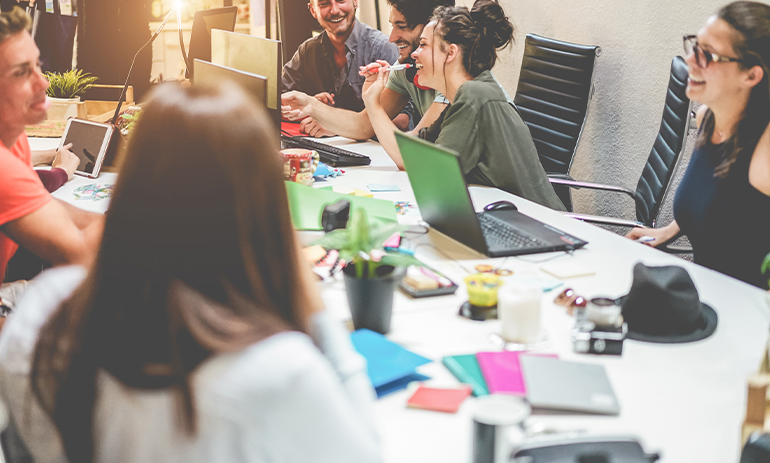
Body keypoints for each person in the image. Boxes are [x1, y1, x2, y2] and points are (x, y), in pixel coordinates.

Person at [0, 82, 381, 463]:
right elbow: (365, 453)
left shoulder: (41, 312)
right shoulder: (277, 370)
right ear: (261, 202)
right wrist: (312, 308)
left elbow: (20, 450)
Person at [365, 0, 564, 210]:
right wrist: (372, 102)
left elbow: (434, 177)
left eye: (423, 45)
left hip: (540, 224)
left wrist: (374, 106)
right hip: (505, 216)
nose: (415, 53)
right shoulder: (461, 98)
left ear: (450, 53)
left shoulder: (474, 95)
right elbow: (410, 152)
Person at [627, 1, 770, 290]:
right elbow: (722, 204)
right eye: (695, 45)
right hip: (707, 302)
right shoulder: (707, 119)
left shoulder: (764, 152)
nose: (691, 60)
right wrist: (669, 231)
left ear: (751, 75)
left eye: (709, 54)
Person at [0, 7, 102, 297]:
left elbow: (52, 208)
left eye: (38, 65)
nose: (42, 83)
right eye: (21, 72)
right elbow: (81, 256)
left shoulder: (14, 136)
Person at [281, 0, 454, 144]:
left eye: (401, 26)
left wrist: (318, 111)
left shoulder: (453, 79)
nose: (392, 37)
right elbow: (362, 126)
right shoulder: (404, 67)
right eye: (392, 26)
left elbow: (413, 149)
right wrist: (309, 104)